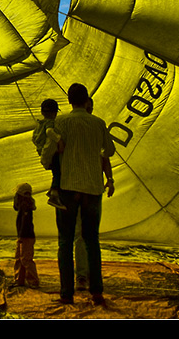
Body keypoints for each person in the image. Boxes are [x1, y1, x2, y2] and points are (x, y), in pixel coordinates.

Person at [42, 83, 115, 305]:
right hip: (92, 189)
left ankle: (66, 293)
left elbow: (48, 157)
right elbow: (109, 150)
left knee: (65, 241)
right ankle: (96, 292)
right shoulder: (98, 123)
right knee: (92, 240)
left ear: (69, 100)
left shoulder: (61, 122)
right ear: (86, 101)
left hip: (68, 188)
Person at [33, 98, 65, 209]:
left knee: (55, 172)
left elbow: (34, 139)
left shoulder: (39, 124)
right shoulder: (50, 123)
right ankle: (55, 194)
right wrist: (59, 140)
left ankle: (52, 189)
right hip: (50, 153)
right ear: (54, 113)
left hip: (43, 153)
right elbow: (49, 132)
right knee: (58, 172)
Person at [13, 183, 40, 288]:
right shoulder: (23, 207)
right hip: (23, 236)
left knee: (25, 259)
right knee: (20, 258)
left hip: (25, 237)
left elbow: (25, 224)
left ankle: (33, 281)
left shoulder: (25, 208)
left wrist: (21, 236)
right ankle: (19, 280)